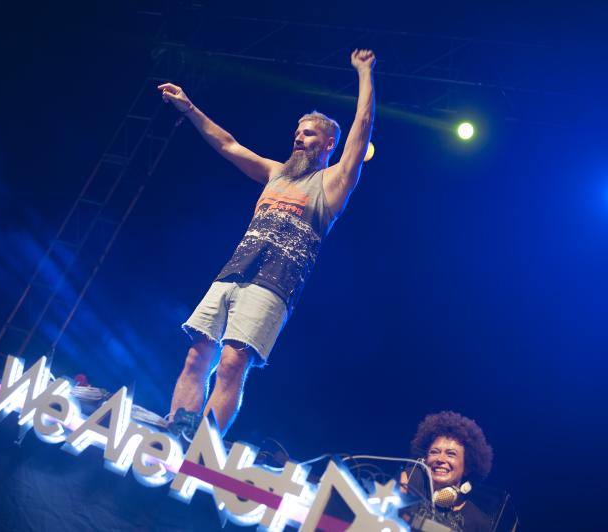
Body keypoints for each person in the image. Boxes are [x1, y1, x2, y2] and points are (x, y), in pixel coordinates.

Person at [157, 49, 376, 437]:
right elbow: (228, 145)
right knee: (197, 356)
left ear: (328, 144)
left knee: (231, 364)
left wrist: (364, 73)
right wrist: (189, 107)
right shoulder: (276, 173)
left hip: (273, 286)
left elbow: (362, 126)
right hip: (232, 274)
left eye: (308, 133)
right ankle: (175, 431)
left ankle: (203, 446)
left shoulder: (333, 184)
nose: (298, 137)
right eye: (297, 131)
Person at [401, 411, 494, 532]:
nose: (440, 459)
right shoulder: (411, 478)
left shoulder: (480, 523)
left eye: (451, 454)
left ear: (467, 467)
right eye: (434, 452)